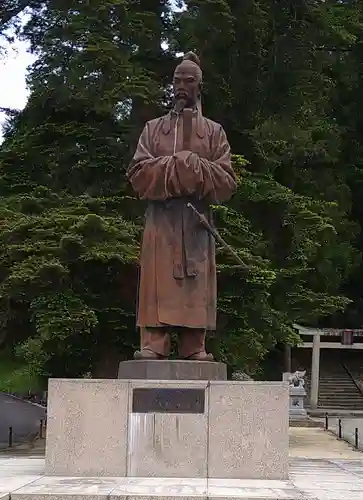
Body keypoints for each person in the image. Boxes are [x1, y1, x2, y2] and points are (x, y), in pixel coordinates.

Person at [127, 52, 236, 360]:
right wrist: (175, 167)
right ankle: (154, 343)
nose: (181, 86)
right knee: (157, 281)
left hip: (196, 223)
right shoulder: (153, 129)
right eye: (176, 80)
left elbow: (227, 181)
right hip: (162, 219)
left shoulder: (214, 132)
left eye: (189, 81)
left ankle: (194, 345)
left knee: (195, 281)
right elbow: (137, 174)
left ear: (199, 87)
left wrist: (196, 168)